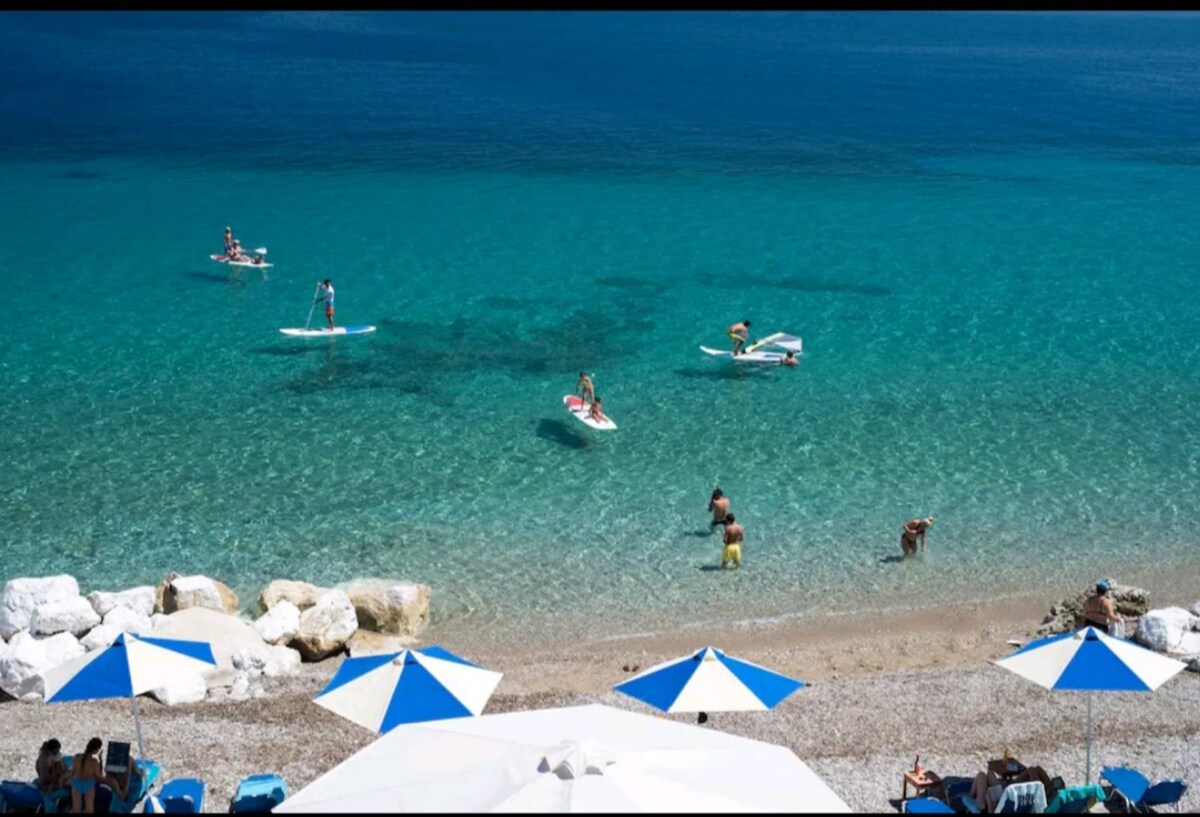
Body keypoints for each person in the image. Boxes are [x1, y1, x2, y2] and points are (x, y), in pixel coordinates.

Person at [967, 764, 1055, 813]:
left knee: (981, 775)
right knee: (1034, 769)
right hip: (1007, 796)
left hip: (997, 802)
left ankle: (971, 795)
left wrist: (989, 802)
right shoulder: (1034, 796)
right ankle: (1049, 788)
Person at [71, 738, 125, 814]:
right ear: (96, 749)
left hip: (76, 782)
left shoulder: (77, 757)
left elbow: (73, 772)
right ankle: (122, 795)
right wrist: (100, 760)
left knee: (76, 809)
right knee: (89, 809)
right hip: (88, 784)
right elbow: (99, 777)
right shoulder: (94, 762)